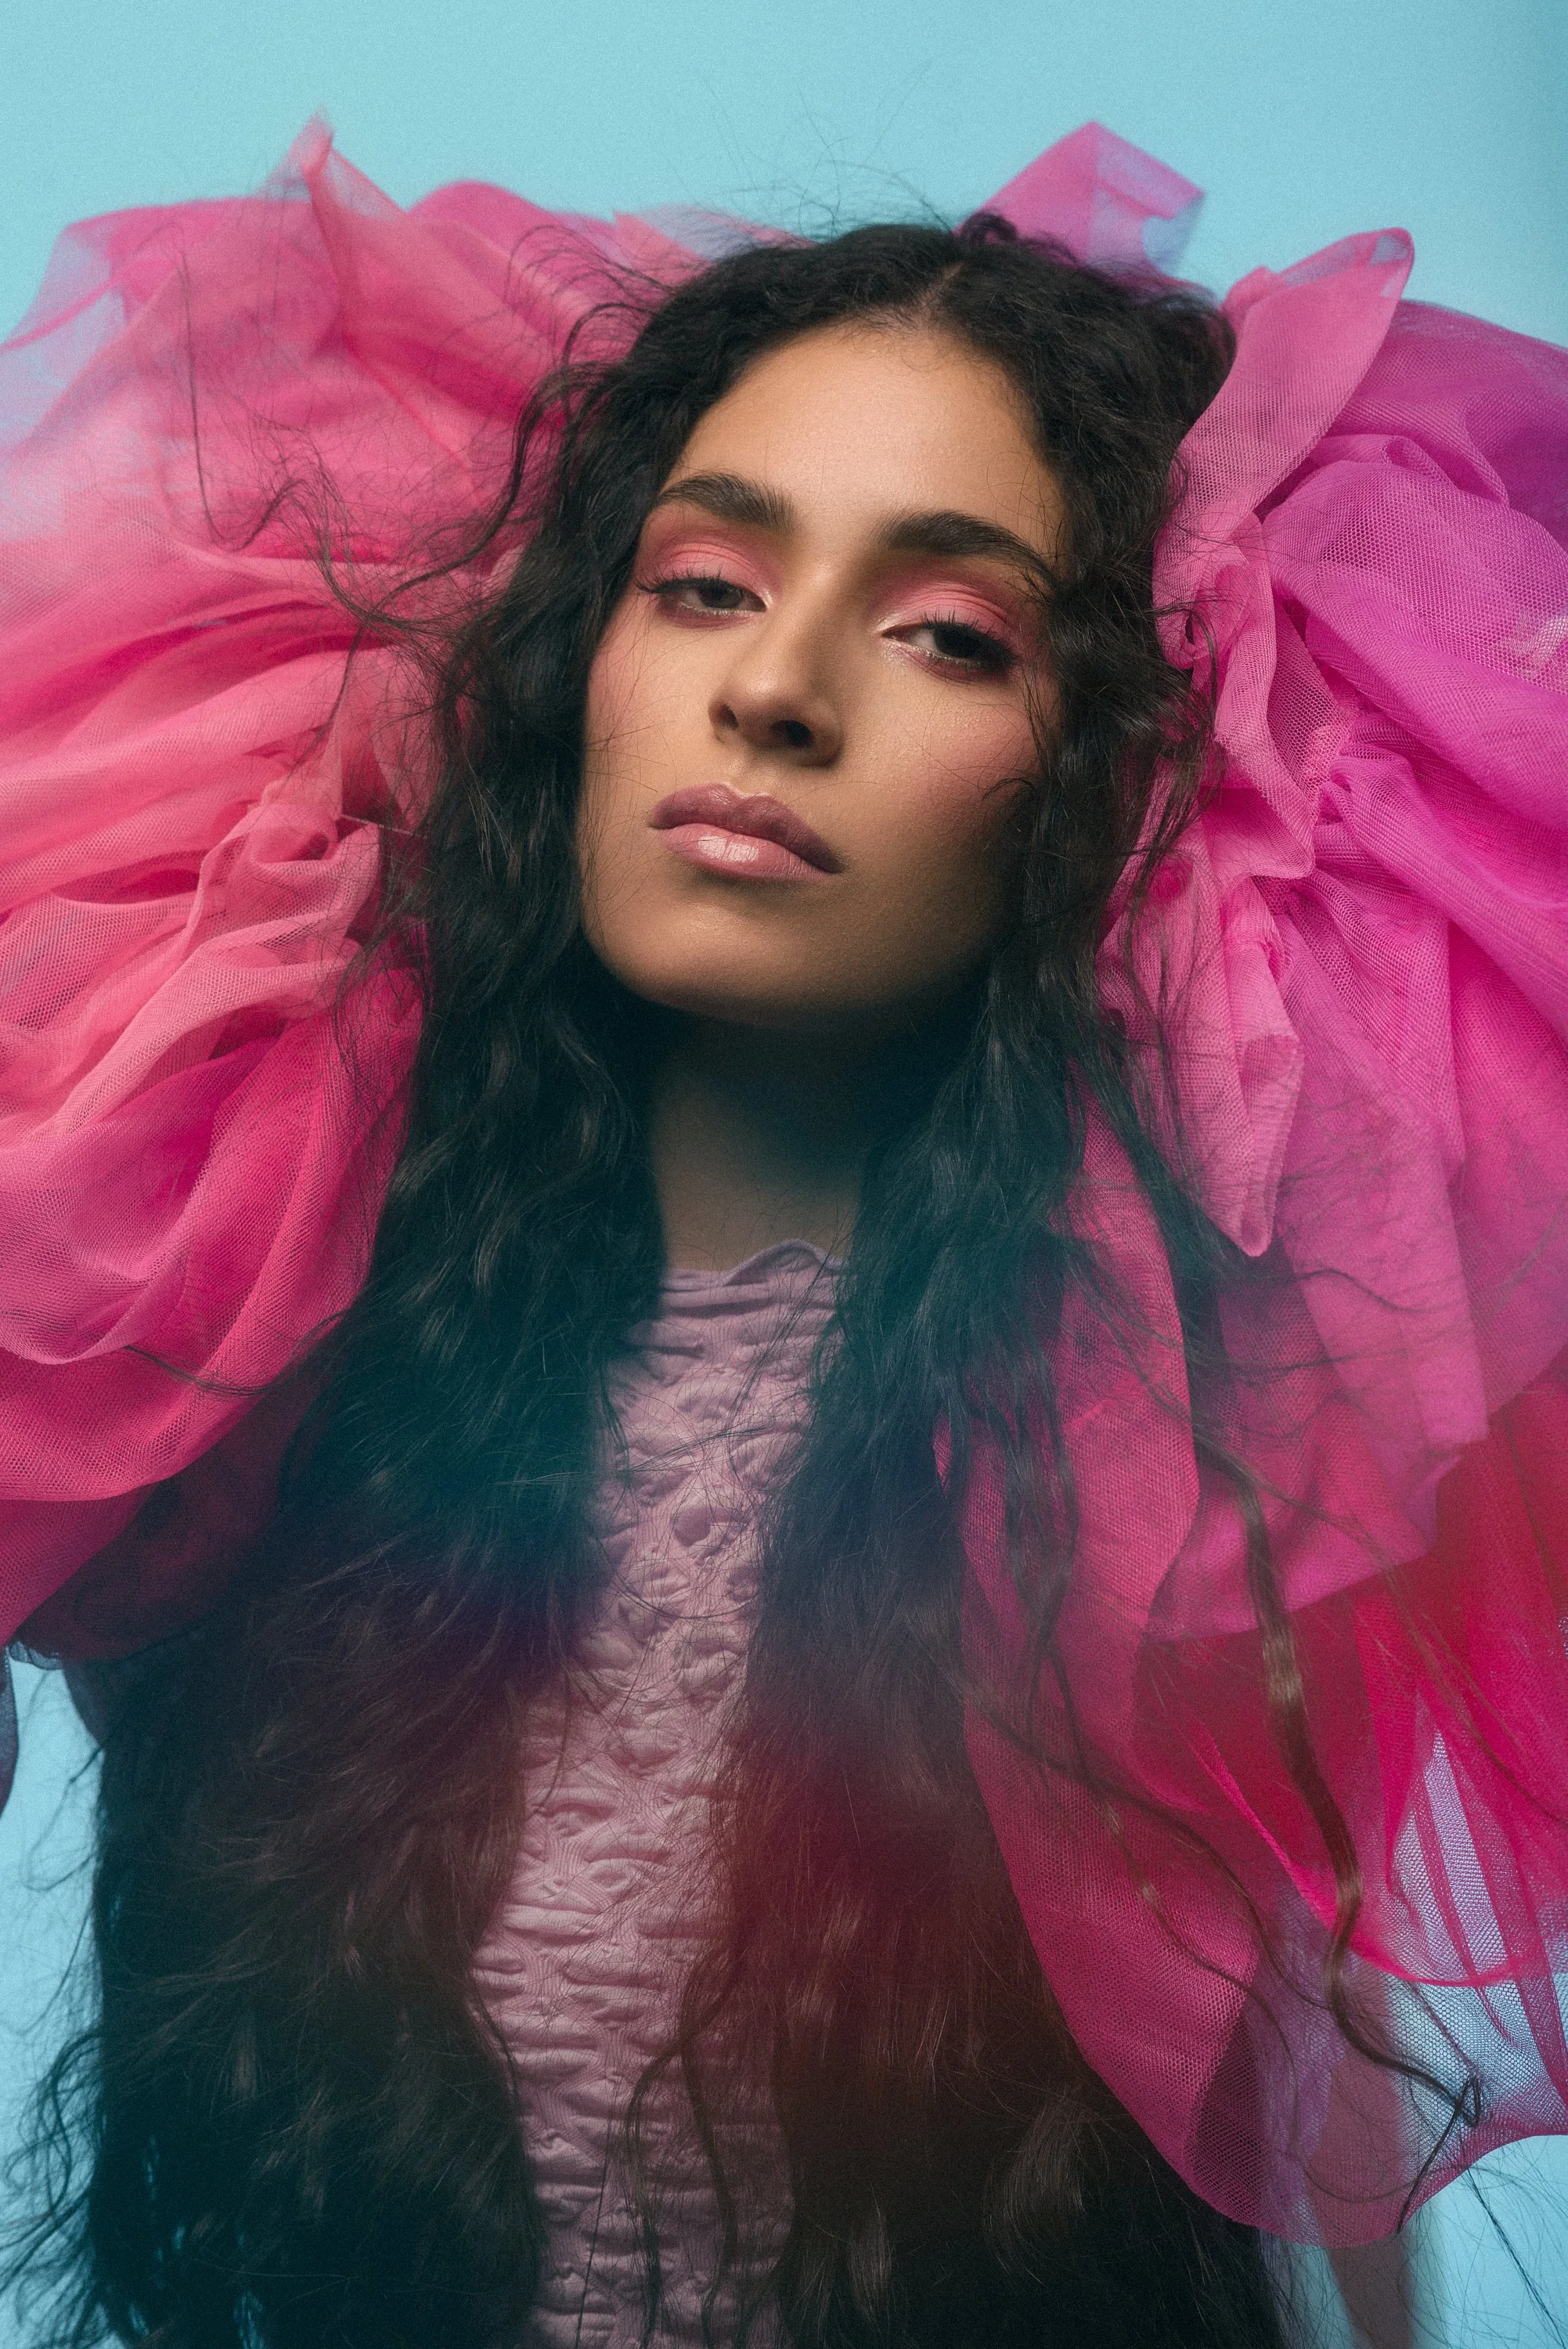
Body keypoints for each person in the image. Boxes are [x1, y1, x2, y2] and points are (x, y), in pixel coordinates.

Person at [1, 119, 1566, 2348]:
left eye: (947, 633)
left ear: (1125, 768)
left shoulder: (1188, 1485)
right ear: (572, 657)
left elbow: (1297, 2208)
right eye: (705, 585)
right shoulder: (246, 1340)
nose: (776, 689)